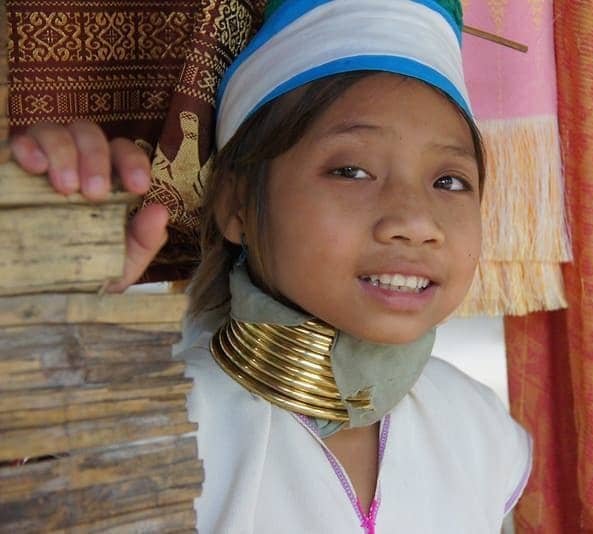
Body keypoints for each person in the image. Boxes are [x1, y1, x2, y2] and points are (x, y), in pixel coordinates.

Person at [11, 1, 532, 531]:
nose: (417, 220)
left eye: (450, 181)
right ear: (237, 204)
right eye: (352, 170)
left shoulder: (479, 432)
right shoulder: (140, 431)